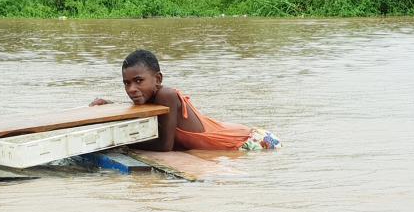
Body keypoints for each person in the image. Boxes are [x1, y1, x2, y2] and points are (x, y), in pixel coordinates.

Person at [90, 49, 280, 152]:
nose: (131, 89)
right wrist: (110, 105)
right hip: (242, 135)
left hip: (251, 141)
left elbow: (165, 146)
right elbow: (136, 109)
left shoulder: (166, 95)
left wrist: (119, 143)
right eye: (126, 83)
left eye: (139, 81)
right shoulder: (151, 99)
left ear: (158, 79)